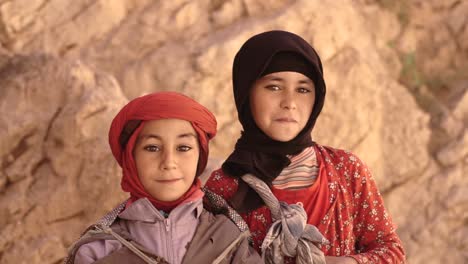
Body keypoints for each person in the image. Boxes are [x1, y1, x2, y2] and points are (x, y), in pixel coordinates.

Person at [204, 30, 406, 264]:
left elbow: (391, 251)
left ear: (316, 98)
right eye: (274, 87)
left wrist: (341, 262)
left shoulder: (346, 171)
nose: (289, 103)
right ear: (246, 92)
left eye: (302, 90)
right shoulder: (225, 186)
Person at [65, 91, 261, 264]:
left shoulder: (229, 240)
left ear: (200, 155)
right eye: (152, 148)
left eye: (183, 148)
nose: (168, 162)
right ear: (131, 158)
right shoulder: (100, 249)